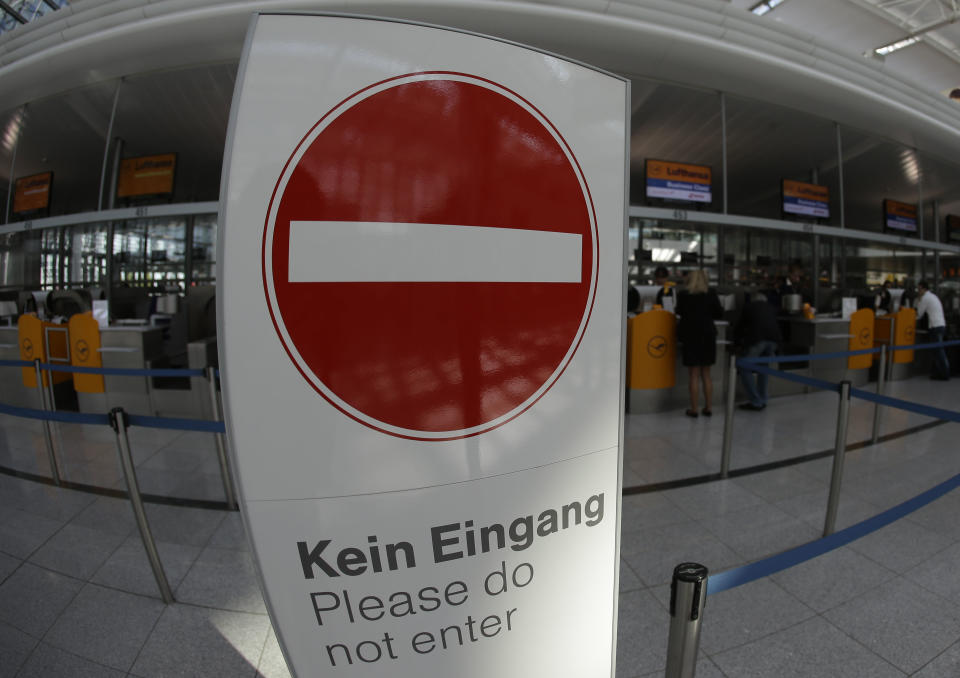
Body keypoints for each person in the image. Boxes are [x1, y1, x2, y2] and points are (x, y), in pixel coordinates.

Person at [676, 269, 723, 417]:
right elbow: (719, 313)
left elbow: (679, 311)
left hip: (690, 336)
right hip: (708, 335)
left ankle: (694, 409)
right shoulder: (711, 293)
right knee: (706, 374)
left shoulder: (683, 295)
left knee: (694, 374)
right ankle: (708, 407)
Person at [733, 292, 782, 410]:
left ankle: (755, 401)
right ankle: (763, 398)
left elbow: (740, 326)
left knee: (744, 366)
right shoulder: (771, 307)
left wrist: (737, 342)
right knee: (763, 367)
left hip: (758, 339)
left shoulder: (749, 307)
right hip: (774, 340)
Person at [916, 280, 950, 381]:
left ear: (923, 288)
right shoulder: (933, 296)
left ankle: (944, 373)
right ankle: (938, 373)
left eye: (918, 289)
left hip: (935, 326)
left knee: (939, 352)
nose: (918, 291)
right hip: (940, 325)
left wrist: (918, 300)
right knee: (937, 351)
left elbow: (919, 314)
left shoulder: (925, 298)